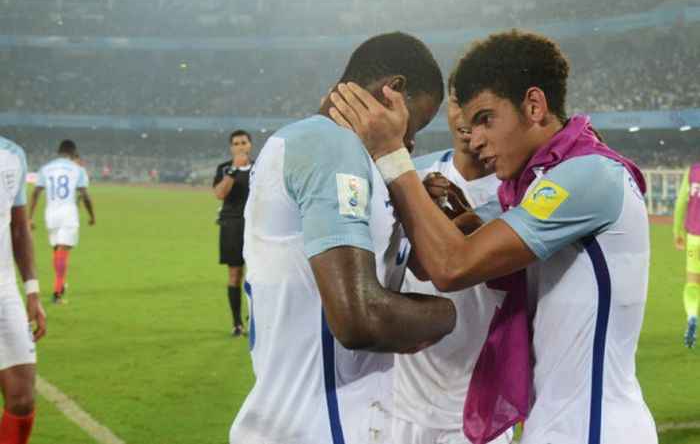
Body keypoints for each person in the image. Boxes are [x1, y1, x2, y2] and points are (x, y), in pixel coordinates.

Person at [330, 29, 657, 444]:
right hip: (554, 423)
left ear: (534, 105)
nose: (476, 138)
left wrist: (393, 156)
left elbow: (452, 267)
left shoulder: (590, 174)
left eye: (486, 118)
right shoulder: (528, 188)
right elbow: (429, 259)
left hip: (593, 427)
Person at [229, 31, 457, 444]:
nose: (410, 141)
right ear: (394, 91)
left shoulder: (348, 157)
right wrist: (446, 316)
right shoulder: (328, 145)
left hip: (326, 422)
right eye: (416, 122)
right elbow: (362, 320)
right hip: (315, 429)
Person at [392, 78, 512, 444]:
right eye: (459, 103)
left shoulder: (517, 193)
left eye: (482, 109)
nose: (466, 117)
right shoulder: (410, 177)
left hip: (475, 407)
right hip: (401, 401)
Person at [0, 136, 47, 444]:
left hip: (3, 290)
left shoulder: (12, 155)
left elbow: (19, 227)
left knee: (21, 398)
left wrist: (32, 290)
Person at [28, 139, 95, 304]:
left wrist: (30, 217)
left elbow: (36, 193)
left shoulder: (46, 168)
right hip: (68, 214)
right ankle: (57, 293)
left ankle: (60, 284)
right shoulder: (77, 168)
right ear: (73, 153)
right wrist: (92, 215)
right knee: (63, 252)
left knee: (57, 250)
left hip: (50, 214)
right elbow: (85, 195)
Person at [213, 130, 254, 336]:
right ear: (231, 148)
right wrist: (233, 171)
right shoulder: (224, 168)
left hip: (255, 227)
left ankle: (255, 316)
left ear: (250, 145)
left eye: (244, 142)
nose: (240, 146)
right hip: (232, 225)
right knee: (235, 274)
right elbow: (220, 193)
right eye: (236, 143)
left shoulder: (259, 168)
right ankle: (237, 323)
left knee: (258, 275)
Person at [673, 163, 700, 348]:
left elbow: (681, 202)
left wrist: (677, 232)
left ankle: (692, 316)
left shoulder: (693, 171)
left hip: (694, 238)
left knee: (692, 284)